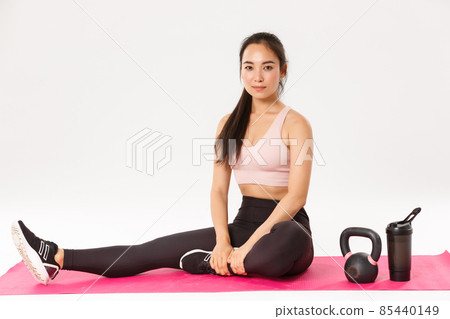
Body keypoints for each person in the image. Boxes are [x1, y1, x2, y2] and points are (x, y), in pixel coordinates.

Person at [11, 31, 314, 285]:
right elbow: (219, 190)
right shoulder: (228, 123)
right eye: (249, 67)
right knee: (153, 250)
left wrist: (245, 248)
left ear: (283, 70)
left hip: (287, 228)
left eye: (268, 67)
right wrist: (224, 241)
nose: (257, 76)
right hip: (243, 223)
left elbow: (296, 197)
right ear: (240, 71)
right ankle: (56, 256)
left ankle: (212, 263)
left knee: (272, 251)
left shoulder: (296, 123)